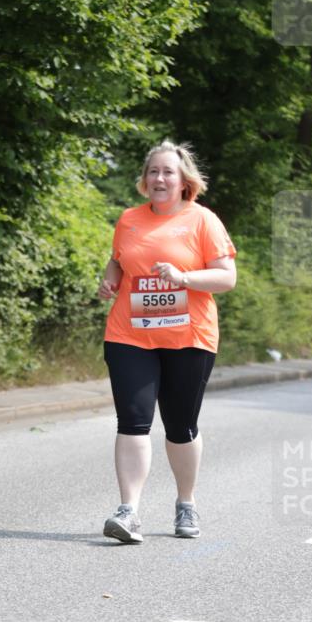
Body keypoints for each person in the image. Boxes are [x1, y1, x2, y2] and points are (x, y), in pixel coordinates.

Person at [97, 139, 237, 544]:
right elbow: (119, 259)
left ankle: (186, 501)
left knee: (180, 426)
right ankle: (129, 511)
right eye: (153, 172)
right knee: (132, 420)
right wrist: (111, 279)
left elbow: (226, 278)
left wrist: (184, 278)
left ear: (183, 180)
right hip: (130, 333)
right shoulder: (129, 219)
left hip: (189, 336)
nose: (160, 178)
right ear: (145, 179)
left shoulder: (202, 221)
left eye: (168, 172)